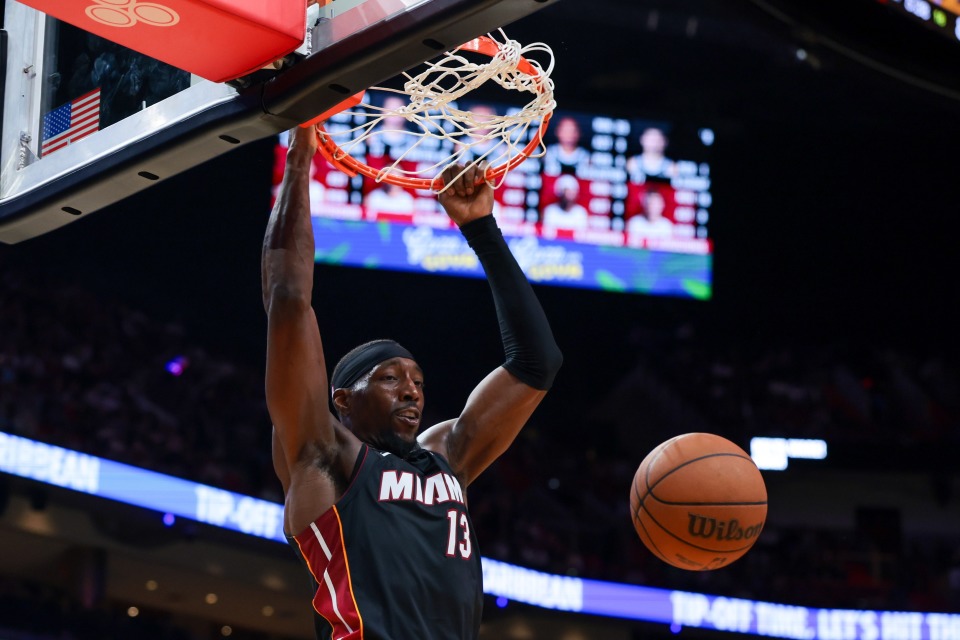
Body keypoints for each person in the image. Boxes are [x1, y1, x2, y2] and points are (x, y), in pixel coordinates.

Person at [262, 124, 563, 640]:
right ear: (342, 400)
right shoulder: (323, 456)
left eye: (419, 382)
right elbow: (288, 300)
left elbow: (538, 364)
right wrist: (300, 154)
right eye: (389, 378)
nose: (411, 391)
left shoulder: (447, 457)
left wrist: (481, 229)